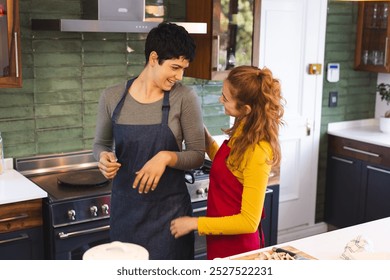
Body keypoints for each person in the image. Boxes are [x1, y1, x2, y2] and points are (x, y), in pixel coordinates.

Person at [92, 22, 205, 260]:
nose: (179, 76)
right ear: (154, 58)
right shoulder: (112, 96)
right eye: (174, 67)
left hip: (169, 218)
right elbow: (100, 144)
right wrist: (103, 158)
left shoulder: (184, 97)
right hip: (126, 215)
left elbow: (196, 155)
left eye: (183, 68)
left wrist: (166, 157)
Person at [170, 65, 285, 260]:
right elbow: (229, 166)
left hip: (240, 249)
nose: (220, 100)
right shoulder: (243, 128)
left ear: (246, 109)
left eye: (225, 98)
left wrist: (195, 223)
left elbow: (248, 221)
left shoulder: (258, 149)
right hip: (220, 241)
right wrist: (203, 134)